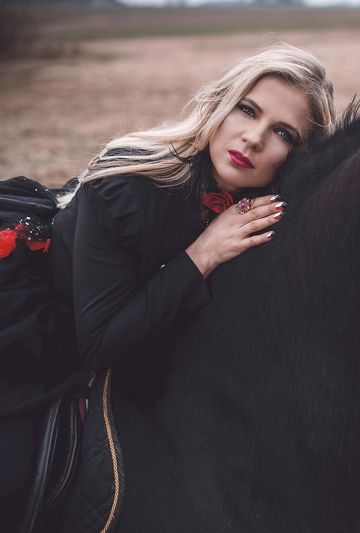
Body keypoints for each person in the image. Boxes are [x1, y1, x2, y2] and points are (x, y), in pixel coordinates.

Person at [0, 41, 335, 530]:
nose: (254, 138)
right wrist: (202, 254)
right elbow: (98, 345)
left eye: (282, 132)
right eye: (247, 110)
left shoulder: (266, 206)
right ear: (221, 104)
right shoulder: (131, 185)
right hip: (46, 316)